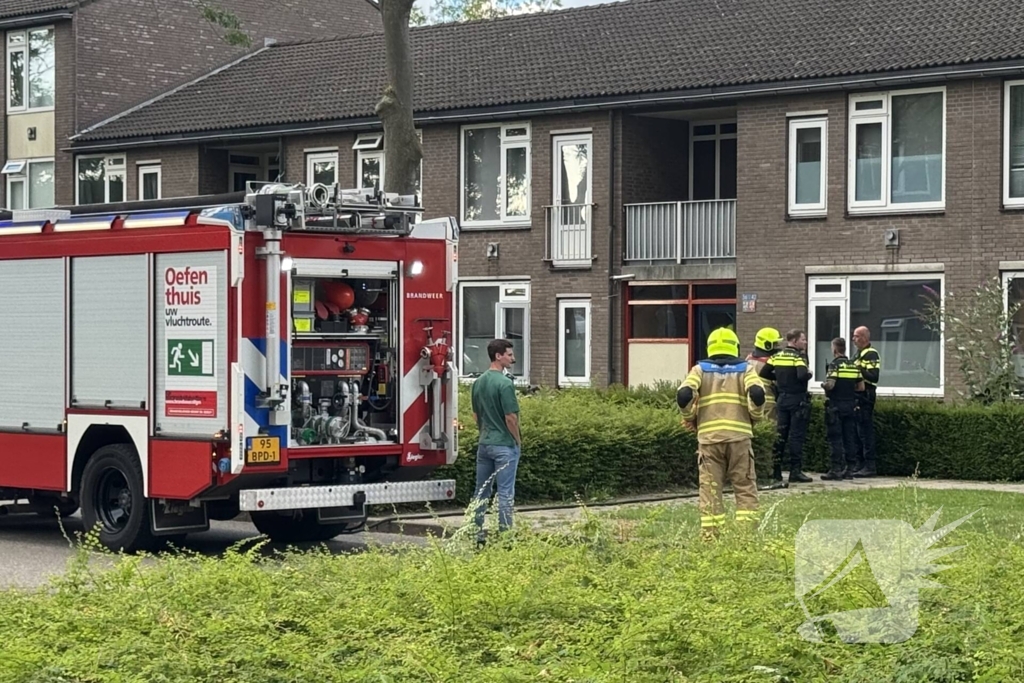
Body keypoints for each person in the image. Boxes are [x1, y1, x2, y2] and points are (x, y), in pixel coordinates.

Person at [677, 327, 766, 539]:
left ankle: (711, 537)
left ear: (710, 347)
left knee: (710, 490)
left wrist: (690, 417)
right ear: (734, 346)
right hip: (739, 439)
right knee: (744, 487)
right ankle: (746, 537)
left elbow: (684, 394)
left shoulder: (699, 369)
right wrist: (755, 416)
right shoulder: (746, 369)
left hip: (709, 440)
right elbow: (757, 394)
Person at [470, 338, 522, 546]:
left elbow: (475, 415)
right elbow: (511, 418)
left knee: (481, 491)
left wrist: (484, 432)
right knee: (505, 493)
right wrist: (516, 440)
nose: (513, 358)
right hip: (504, 445)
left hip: (485, 443)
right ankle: (506, 537)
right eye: (509, 355)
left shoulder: (478, 382)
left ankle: (476, 532)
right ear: (498, 356)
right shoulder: (505, 383)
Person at [759, 329, 813, 484]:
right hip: (797, 400)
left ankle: (776, 472)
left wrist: (781, 377)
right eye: (803, 339)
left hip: (782, 399)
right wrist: (810, 374)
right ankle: (795, 472)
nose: (805, 342)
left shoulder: (776, 356)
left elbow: (764, 373)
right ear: (794, 341)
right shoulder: (799, 357)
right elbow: (802, 375)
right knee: (796, 436)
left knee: (780, 436)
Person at [820, 337, 863, 480]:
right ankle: (850, 469)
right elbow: (861, 387)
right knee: (849, 437)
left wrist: (823, 385)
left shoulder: (834, 365)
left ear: (834, 349)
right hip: (850, 405)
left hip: (836, 405)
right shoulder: (853, 365)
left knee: (835, 438)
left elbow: (831, 385)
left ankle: (836, 469)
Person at [746, 326, 785, 488]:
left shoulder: (748, 359)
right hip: (768, 406)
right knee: (771, 439)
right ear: (767, 345)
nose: (777, 347)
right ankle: (771, 472)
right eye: (774, 344)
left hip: (749, 405)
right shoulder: (769, 363)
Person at [851, 326, 880, 477]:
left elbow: (874, 376)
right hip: (856, 395)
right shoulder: (858, 354)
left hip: (866, 395)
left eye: (856, 336)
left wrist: (857, 369)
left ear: (864, 337)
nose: (853, 339)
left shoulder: (871, 354)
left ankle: (869, 466)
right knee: (856, 431)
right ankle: (859, 464)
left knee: (864, 431)